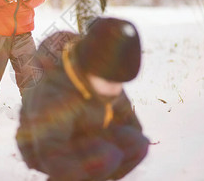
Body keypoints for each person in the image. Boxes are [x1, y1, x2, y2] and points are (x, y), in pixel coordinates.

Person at [16, 17, 150, 181]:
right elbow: (50, 148)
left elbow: (131, 124)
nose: (116, 89)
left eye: (120, 82)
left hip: (87, 134)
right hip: (42, 147)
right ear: (89, 69)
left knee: (137, 143)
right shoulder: (58, 91)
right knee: (107, 155)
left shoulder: (107, 83)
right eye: (110, 81)